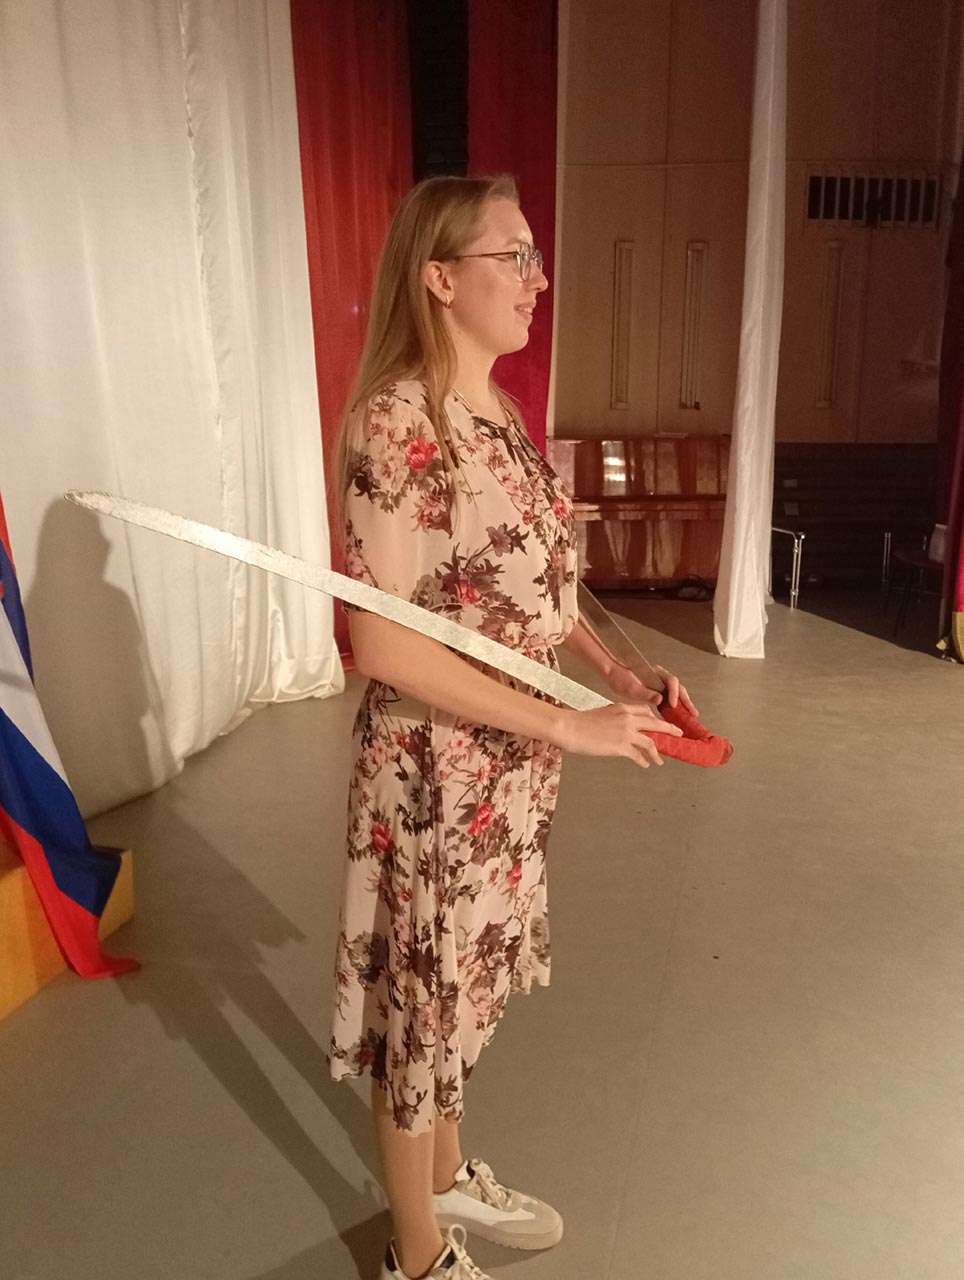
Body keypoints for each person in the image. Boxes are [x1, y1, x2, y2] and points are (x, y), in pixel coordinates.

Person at [326, 174, 694, 1280]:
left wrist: (610, 668)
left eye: (534, 255)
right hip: (435, 768)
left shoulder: (498, 411)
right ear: (440, 278)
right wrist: (567, 723)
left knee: (464, 992)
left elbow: (532, 580)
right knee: (421, 1008)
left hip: (508, 765)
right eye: (514, 256)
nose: (537, 278)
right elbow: (383, 643)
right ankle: (416, 1254)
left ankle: (445, 1176)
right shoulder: (397, 421)